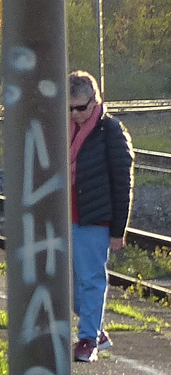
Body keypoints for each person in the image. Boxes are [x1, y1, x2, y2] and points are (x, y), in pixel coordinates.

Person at [69, 70, 134, 363]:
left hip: (94, 217)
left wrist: (118, 230)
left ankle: (87, 340)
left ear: (95, 102)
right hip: (65, 216)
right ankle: (96, 331)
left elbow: (123, 182)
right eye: (69, 107)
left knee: (91, 280)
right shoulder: (62, 128)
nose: (75, 113)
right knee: (71, 287)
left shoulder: (111, 131)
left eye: (81, 107)